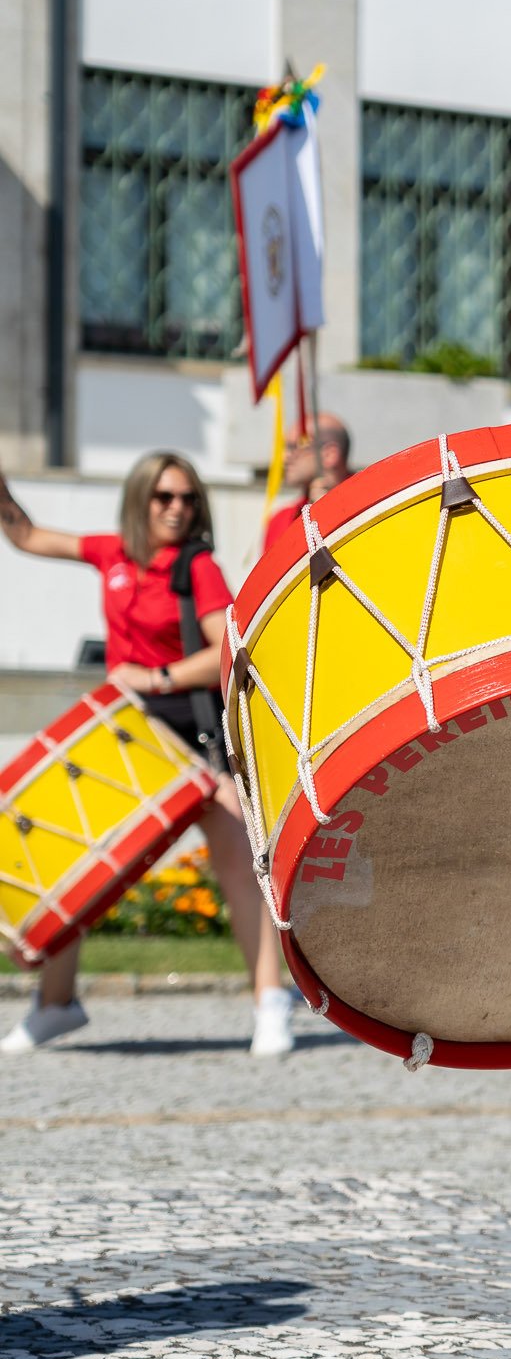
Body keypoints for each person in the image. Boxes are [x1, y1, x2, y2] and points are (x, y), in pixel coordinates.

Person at [0, 451, 294, 1057]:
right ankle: (57, 1005)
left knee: (239, 864)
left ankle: (270, 1002)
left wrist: (155, 677)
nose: (177, 509)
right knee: (74, 865)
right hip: (127, 737)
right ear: (140, 499)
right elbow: (26, 535)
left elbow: (226, 650)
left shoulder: (199, 566)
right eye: (164, 497)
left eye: (187, 498)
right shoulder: (112, 552)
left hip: (191, 734)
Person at [262, 412, 352, 553]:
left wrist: (331, 514)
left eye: (294, 447)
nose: (284, 457)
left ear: (329, 454)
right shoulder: (280, 521)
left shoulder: (370, 505)